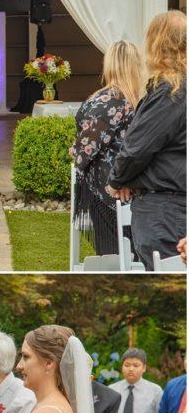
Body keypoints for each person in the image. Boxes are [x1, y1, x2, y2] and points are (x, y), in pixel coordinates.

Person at [107, 10, 187, 269]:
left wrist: (117, 180)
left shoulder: (170, 91)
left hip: (165, 210)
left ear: (157, 44)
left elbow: (137, 149)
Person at [71, 41, 144, 255]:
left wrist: (74, 150)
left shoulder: (111, 98)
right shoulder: (117, 99)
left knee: (119, 252)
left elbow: (86, 146)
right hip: (114, 189)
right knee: (121, 253)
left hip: (112, 188)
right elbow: (89, 144)